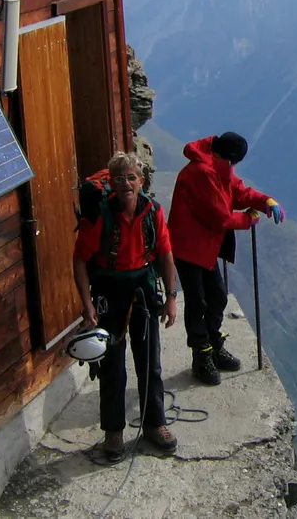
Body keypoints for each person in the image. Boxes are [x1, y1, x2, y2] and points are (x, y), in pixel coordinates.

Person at [73, 151, 180, 460]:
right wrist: (86, 304)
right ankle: (114, 432)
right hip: (110, 291)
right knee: (111, 366)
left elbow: (166, 254)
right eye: (119, 179)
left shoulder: (153, 212)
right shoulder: (100, 216)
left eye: (131, 178)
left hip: (144, 290)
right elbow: (80, 260)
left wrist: (171, 298)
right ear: (112, 183)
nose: (125, 184)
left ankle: (154, 423)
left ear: (141, 181)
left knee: (150, 362)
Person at [168, 132, 285, 386]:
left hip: (204, 247)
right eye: (234, 163)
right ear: (227, 157)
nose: (234, 168)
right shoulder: (201, 173)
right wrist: (248, 219)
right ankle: (202, 356)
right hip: (189, 248)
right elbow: (219, 216)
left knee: (218, 296)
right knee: (198, 302)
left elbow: (237, 191)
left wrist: (265, 201)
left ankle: (213, 344)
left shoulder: (216, 166)